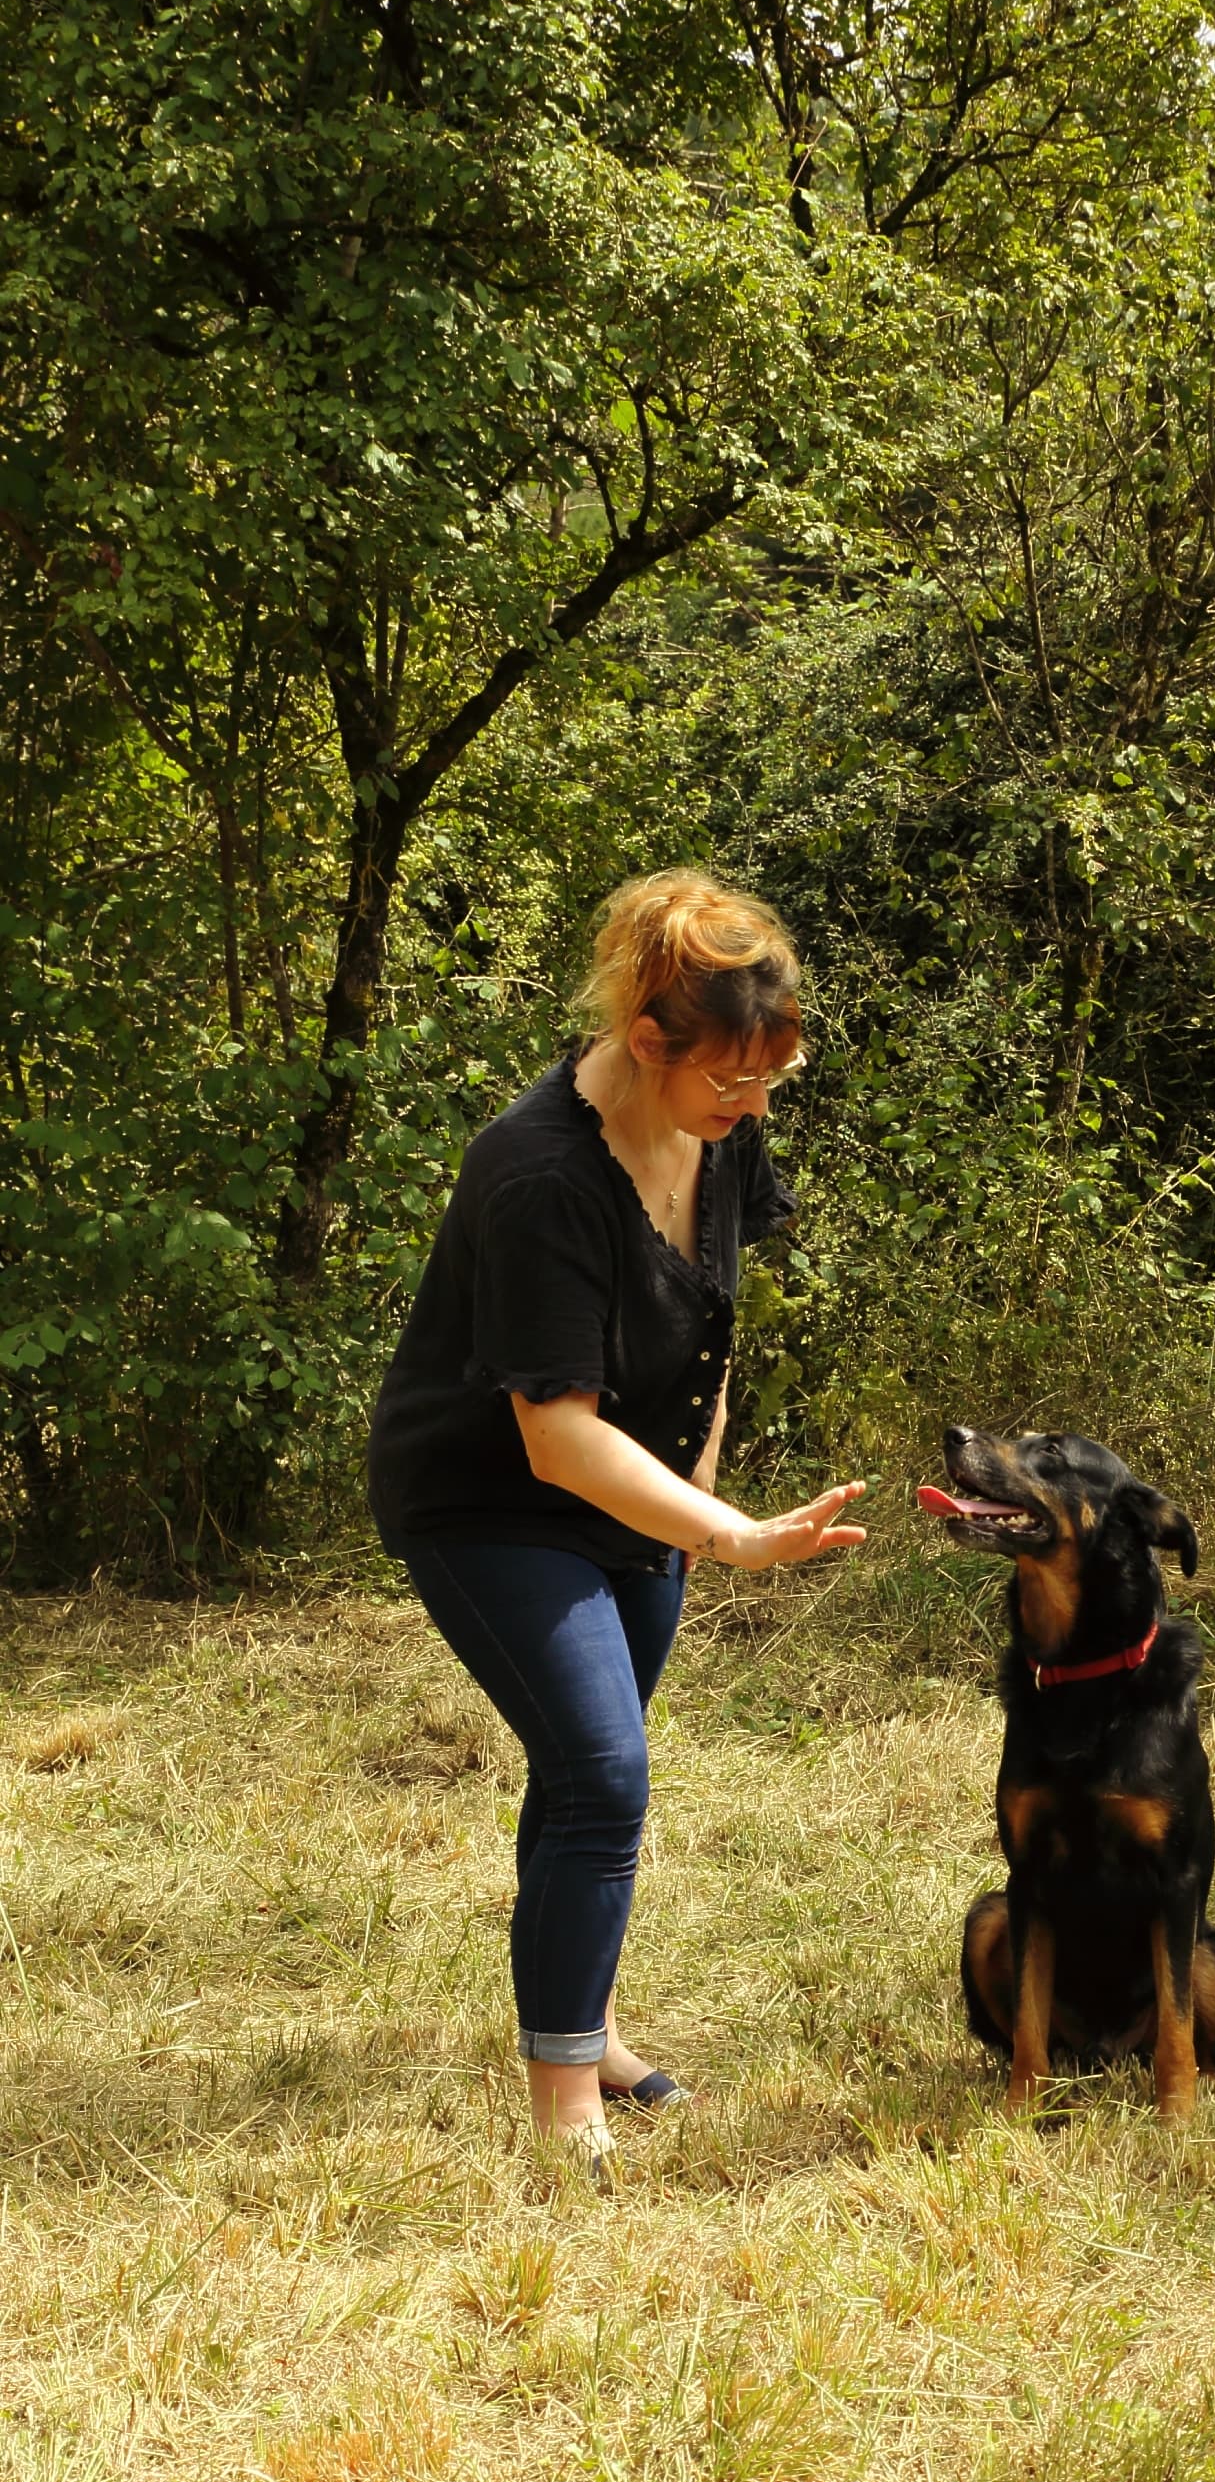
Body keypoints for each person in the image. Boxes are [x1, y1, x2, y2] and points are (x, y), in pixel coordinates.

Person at [368, 869, 865, 2172]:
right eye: (733, 1085)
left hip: (638, 1502)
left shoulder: (720, 1124)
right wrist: (733, 1536)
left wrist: (687, 1513)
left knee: (583, 1771)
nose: (754, 1112)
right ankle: (565, 2107)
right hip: (488, 1502)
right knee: (604, 1769)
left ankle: (578, 2028)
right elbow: (555, 1433)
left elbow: (710, 1333)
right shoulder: (536, 1176)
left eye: (772, 1084)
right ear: (649, 1041)